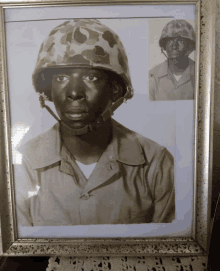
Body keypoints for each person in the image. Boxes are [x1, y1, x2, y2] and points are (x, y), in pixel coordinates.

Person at [15, 19, 175, 226]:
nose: (74, 92)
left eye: (91, 78)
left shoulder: (155, 163)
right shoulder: (23, 164)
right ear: (48, 91)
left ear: (115, 89)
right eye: (61, 77)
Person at [149, 19, 196, 101]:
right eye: (169, 40)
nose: (174, 45)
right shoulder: (153, 76)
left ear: (189, 46)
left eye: (180, 40)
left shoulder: (201, 73)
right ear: (164, 46)